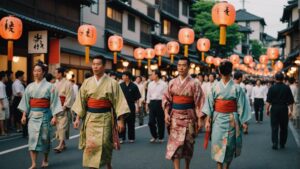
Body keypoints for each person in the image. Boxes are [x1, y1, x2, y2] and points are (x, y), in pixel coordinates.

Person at [72, 56, 130, 169]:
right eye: (93, 64)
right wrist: (78, 118)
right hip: (90, 118)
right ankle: (93, 166)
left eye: (98, 64)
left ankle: (107, 162)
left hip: (105, 117)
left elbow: (119, 102)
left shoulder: (113, 83)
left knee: (104, 144)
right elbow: (81, 101)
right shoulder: (87, 82)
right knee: (91, 145)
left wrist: (121, 120)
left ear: (104, 66)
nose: (95, 66)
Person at [203, 61, 251, 169]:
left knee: (229, 145)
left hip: (231, 120)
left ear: (219, 71)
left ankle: (226, 167)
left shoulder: (237, 88)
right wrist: (207, 120)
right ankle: (219, 166)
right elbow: (210, 104)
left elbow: (241, 106)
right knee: (218, 143)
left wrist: (244, 122)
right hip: (218, 119)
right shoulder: (215, 87)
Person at [162, 57, 205, 169]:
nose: (181, 67)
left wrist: (200, 119)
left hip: (189, 117)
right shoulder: (172, 82)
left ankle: (187, 166)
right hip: (175, 117)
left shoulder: (195, 83)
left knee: (188, 145)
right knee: (174, 145)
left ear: (188, 67)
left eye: (184, 65)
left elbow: (199, 101)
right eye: (179, 65)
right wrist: (166, 113)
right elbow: (166, 99)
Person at [18, 61, 62, 169]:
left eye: (39, 71)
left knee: (45, 139)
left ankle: (45, 159)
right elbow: (26, 102)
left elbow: (54, 102)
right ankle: (33, 163)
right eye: (35, 71)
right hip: (33, 115)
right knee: (32, 139)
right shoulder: (29, 86)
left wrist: (55, 117)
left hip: (45, 115)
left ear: (43, 72)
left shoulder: (50, 86)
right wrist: (24, 115)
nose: (36, 73)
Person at [266, 73, 294, 150]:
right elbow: (291, 102)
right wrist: (291, 111)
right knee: (284, 127)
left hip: (274, 108)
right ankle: (282, 143)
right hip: (284, 108)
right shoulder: (287, 88)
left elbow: (268, 101)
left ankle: (275, 143)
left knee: (274, 127)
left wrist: (267, 110)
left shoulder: (272, 88)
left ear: (275, 79)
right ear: (283, 79)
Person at [53, 67, 74, 153]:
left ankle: (60, 145)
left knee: (62, 126)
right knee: (59, 127)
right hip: (56, 106)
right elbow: (53, 96)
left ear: (61, 74)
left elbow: (70, 96)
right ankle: (63, 143)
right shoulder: (55, 84)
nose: (55, 75)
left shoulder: (68, 83)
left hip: (63, 106)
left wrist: (65, 106)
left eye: (56, 73)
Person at [119, 71, 141, 143]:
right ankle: (122, 137)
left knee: (131, 122)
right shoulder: (120, 85)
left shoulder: (134, 86)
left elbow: (137, 98)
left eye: (123, 76)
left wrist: (137, 107)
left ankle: (131, 137)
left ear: (127, 77)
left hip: (131, 105)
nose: (122, 77)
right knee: (122, 121)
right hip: (122, 106)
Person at [146, 70, 168, 143]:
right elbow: (148, 94)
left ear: (157, 75)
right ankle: (154, 136)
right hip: (152, 103)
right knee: (151, 122)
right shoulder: (150, 84)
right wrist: (147, 104)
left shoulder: (164, 84)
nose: (151, 76)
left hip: (160, 103)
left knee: (160, 121)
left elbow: (166, 95)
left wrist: (165, 105)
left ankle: (161, 137)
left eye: (152, 74)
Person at [0, 71, 9, 136]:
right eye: (6, 76)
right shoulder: (1, 85)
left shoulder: (2, 84)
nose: (7, 77)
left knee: (4, 117)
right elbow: (1, 96)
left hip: (4, 101)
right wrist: (2, 105)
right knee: (2, 118)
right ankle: (3, 131)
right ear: (3, 77)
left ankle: (4, 130)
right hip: (2, 102)